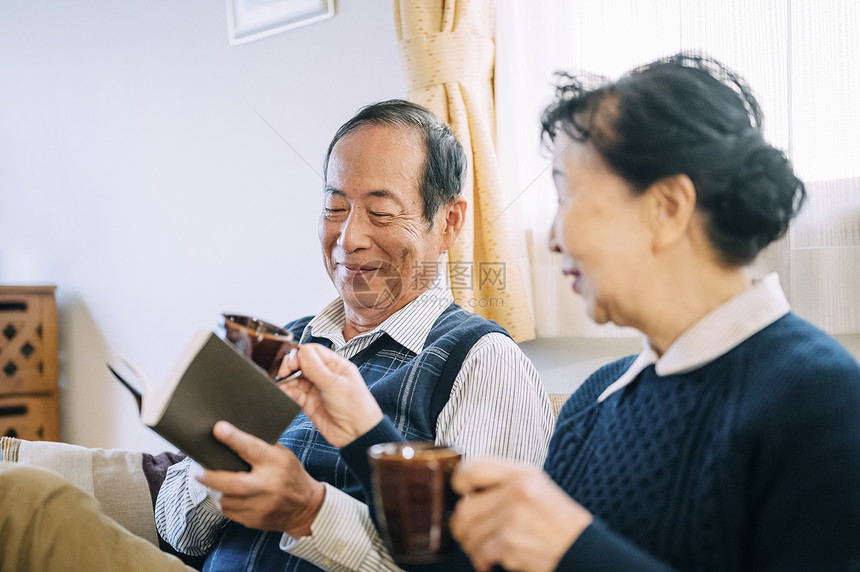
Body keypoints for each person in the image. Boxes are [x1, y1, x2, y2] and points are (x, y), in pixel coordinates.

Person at [279, 54, 860, 571]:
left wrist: (573, 548)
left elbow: (566, 551)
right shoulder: (595, 402)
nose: (553, 238)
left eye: (568, 197)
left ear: (667, 208)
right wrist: (365, 433)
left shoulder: (822, 398)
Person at [155, 99, 553, 571]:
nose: (348, 239)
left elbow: (479, 564)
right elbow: (181, 532)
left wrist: (310, 512)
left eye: (381, 213)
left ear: (449, 222)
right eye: (334, 207)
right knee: (47, 504)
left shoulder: (482, 362)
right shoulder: (285, 342)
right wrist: (223, 447)